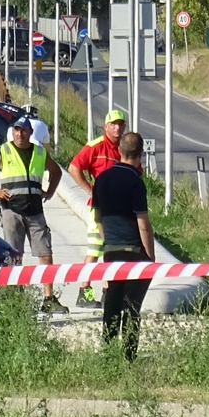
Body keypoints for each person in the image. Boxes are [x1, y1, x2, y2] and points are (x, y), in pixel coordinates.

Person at [0, 115, 67, 313]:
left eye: (24, 130)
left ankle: (48, 299)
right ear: (13, 131)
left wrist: (49, 192)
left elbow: (56, 172)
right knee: (14, 255)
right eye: (17, 130)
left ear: (30, 132)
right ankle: (15, 299)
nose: (20, 134)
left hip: (35, 211)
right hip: (12, 210)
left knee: (45, 253)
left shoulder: (39, 152)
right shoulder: (3, 150)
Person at [91, 131, 155, 360]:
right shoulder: (135, 183)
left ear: (119, 151)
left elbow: (97, 216)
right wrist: (150, 257)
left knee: (112, 302)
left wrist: (107, 240)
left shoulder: (102, 179)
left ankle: (107, 352)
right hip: (134, 253)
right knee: (131, 305)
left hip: (111, 252)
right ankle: (128, 356)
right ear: (140, 154)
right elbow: (143, 224)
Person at [67, 109, 128, 308]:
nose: (117, 127)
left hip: (119, 208)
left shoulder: (124, 148)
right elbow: (74, 167)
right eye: (114, 124)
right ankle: (85, 292)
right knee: (94, 249)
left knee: (112, 250)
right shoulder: (96, 146)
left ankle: (106, 292)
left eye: (120, 124)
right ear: (106, 126)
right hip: (100, 208)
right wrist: (89, 190)